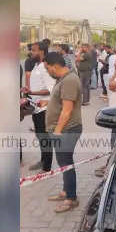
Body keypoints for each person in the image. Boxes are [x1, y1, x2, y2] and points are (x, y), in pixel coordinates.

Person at [44, 52, 83, 213]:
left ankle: (71, 199)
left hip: (66, 130)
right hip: (62, 130)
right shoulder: (63, 79)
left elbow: (67, 110)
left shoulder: (70, 80)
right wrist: (47, 102)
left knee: (66, 163)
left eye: (47, 68)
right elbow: (61, 101)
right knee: (63, 163)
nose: (47, 71)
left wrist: (58, 131)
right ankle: (66, 191)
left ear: (54, 66)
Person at [21, 42, 56, 172]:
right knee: (40, 136)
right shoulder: (37, 65)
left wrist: (32, 92)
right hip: (36, 108)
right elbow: (37, 85)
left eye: (34, 50)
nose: (31, 53)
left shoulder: (46, 67)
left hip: (45, 109)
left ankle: (47, 167)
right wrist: (28, 89)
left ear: (42, 51)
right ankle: (42, 161)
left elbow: (50, 89)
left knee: (45, 137)